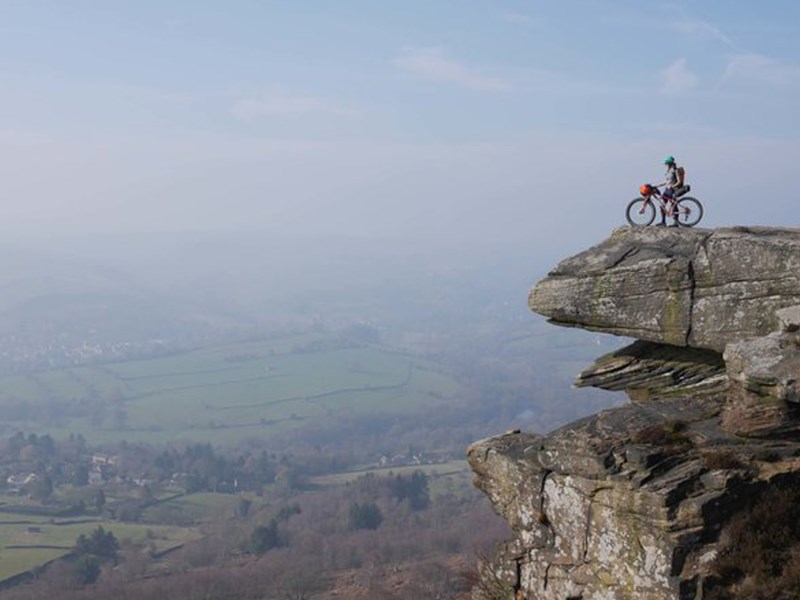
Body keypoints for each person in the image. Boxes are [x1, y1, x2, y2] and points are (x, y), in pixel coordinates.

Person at [656, 156, 688, 226]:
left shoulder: (675, 171)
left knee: (673, 205)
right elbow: (666, 182)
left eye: (666, 164)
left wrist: (672, 186)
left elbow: (679, 181)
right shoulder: (668, 171)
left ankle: (676, 222)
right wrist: (657, 185)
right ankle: (663, 222)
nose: (665, 165)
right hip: (667, 190)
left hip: (672, 190)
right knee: (662, 205)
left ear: (669, 163)